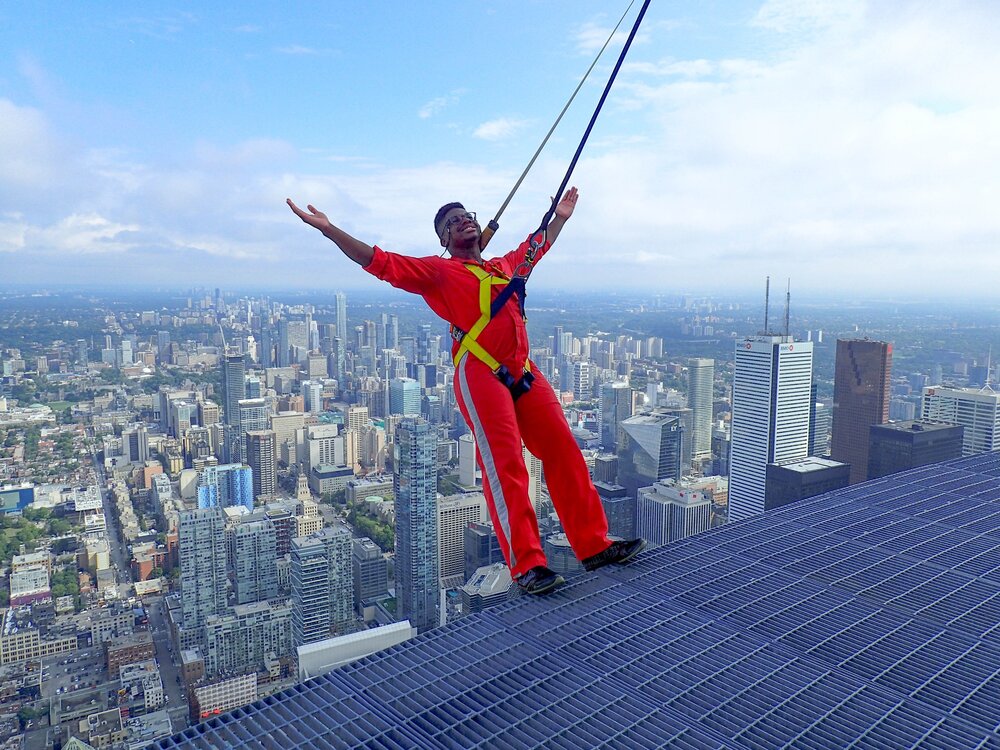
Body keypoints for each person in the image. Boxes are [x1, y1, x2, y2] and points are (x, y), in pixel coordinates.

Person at [287, 189, 644, 595]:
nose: (462, 221)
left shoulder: (503, 266)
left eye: (465, 215)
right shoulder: (439, 273)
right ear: (443, 240)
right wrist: (330, 230)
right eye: (451, 222)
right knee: (506, 463)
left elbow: (535, 247)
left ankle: (593, 545)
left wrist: (558, 217)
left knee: (563, 449)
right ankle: (527, 565)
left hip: (523, 371)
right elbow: (380, 262)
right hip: (480, 372)